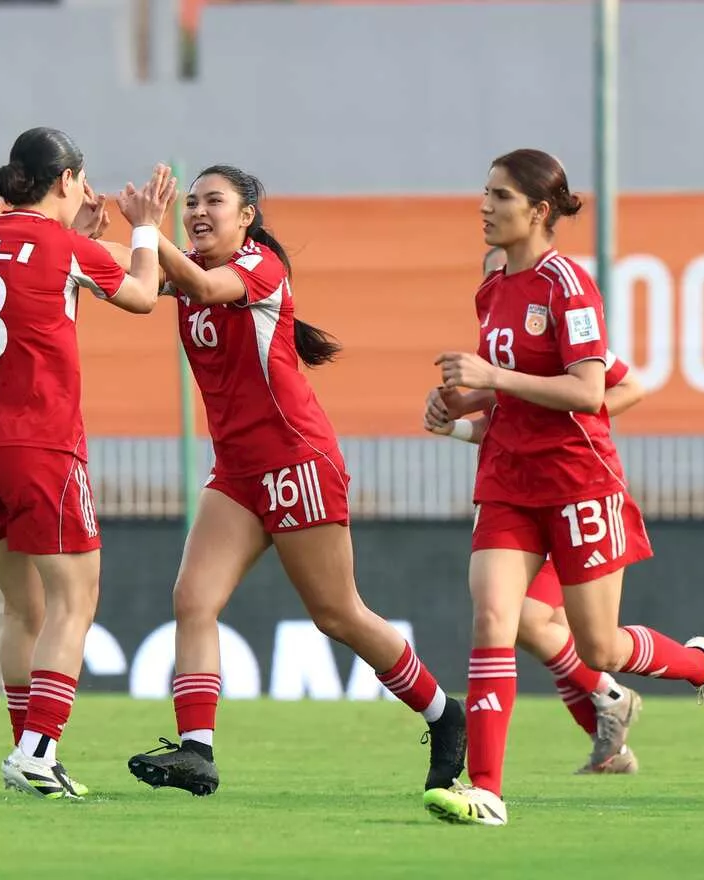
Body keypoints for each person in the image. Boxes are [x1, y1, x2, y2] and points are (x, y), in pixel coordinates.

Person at [422, 149, 704, 827]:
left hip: (578, 484)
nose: (484, 205)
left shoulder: (567, 284)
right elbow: (510, 397)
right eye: (485, 192)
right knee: (493, 619)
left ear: (539, 210)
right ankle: (486, 790)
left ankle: (699, 666)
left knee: (600, 649)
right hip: (509, 483)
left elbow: (587, 389)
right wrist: (460, 408)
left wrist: (491, 378)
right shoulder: (494, 288)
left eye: (500, 196)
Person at [124, 164, 466, 797]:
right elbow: (132, 275)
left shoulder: (259, 267)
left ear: (246, 216)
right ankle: (197, 751)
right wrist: (79, 232)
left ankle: (444, 715)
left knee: (337, 613)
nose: (198, 212)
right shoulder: (188, 265)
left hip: (295, 460)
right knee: (193, 600)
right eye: (191, 202)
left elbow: (199, 283)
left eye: (214, 202)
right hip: (237, 471)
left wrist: (148, 229)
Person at [0, 127, 172, 799]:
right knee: (75, 600)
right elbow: (143, 293)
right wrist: (145, 229)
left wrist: (80, 240)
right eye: (82, 179)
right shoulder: (66, 247)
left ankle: (27, 749)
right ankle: (38, 754)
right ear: (67, 180)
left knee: (24, 609)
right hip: (42, 446)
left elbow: (32, 281)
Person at [430, 244, 648, 774]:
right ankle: (603, 737)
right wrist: (455, 422)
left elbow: (625, 386)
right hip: (518, 491)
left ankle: (634, 687)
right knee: (510, 620)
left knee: (547, 627)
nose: (500, 283)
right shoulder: (498, 335)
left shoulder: (559, 318)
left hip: (571, 488)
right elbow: (502, 422)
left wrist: (573, 418)